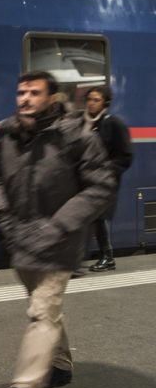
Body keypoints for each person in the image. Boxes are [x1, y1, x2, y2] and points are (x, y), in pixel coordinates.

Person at [0, 71, 114, 388]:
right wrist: (1, 214)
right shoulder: (3, 134)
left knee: (42, 309)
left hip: (60, 239)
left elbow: (101, 185)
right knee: (45, 308)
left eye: (34, 93)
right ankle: (61, 363)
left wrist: (61, 224)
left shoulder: (76, 136)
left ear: (52, 98)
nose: (25, 98)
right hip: (20, 237)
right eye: (21, 92)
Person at [81, 86, 133, 272]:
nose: (91, 103)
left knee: (99, 217)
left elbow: (126, 156)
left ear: (105, 102)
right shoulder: (85, 123)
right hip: (86, 179)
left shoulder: (114, 123)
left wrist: (108, 171)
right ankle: (80, 259)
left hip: (105, 180)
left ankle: (107, 257)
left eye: (96, 100)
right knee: (88, 217)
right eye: (89, 99)